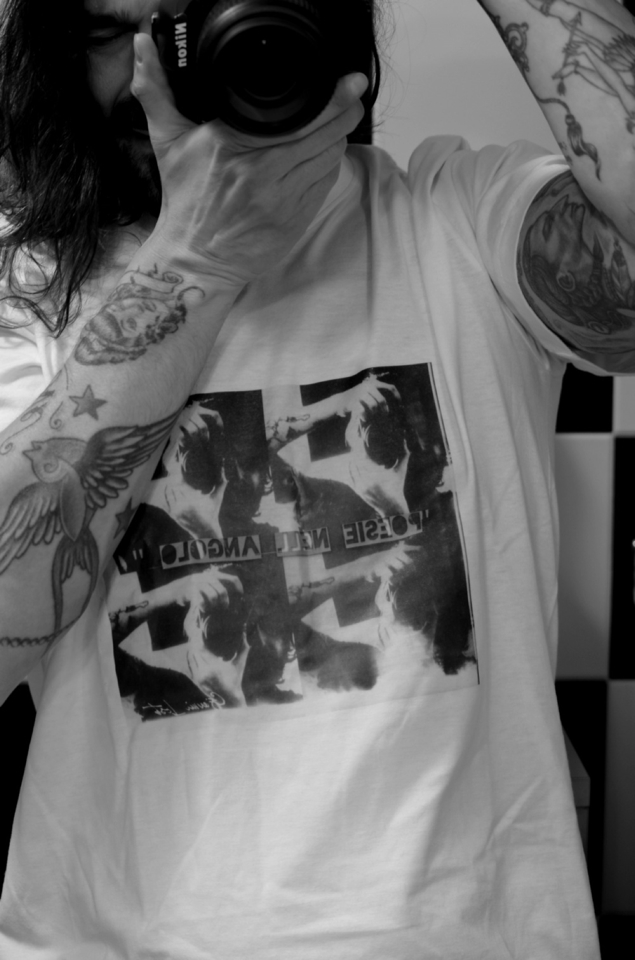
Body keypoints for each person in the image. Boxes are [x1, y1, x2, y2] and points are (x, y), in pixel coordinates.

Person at [0, 0, 634, 955]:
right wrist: (197, 261)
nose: (149, 75)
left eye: (185, 24)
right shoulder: (26, 290)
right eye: (102, 34)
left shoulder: (454, 217)